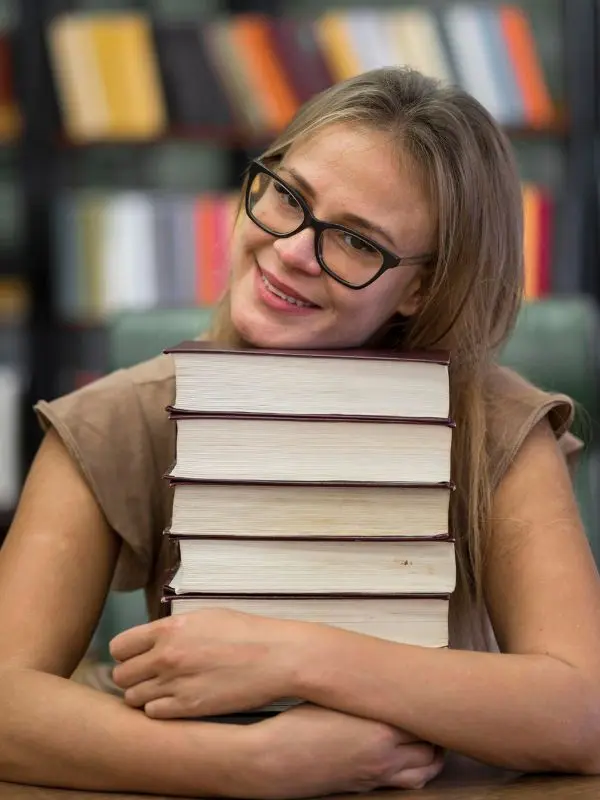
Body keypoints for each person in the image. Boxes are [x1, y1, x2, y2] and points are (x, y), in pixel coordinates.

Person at [1, 65, 599, 797]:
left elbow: (585, 713)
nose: (291, 249)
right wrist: (254, 765)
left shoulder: (498, 427)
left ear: (421, 287)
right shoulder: (114, 418)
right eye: (288, 197)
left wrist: (294, 657)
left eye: (354, 240)